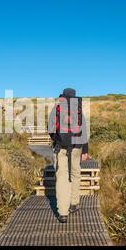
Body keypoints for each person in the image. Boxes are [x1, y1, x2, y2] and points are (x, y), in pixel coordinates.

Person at [48, 88, 89, 223]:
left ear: (62, 95)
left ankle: (63, 212)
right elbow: (84, 130)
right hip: (77, 146)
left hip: (60, 148)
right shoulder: (78, 107)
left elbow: (51, 128)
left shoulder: (57, 107)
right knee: (75, 174)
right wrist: (85, 150)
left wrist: (57, 140)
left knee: (62, 177)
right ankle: (74, 203)